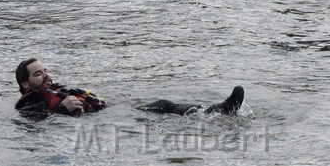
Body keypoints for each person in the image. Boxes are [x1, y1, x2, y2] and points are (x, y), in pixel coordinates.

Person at [14, 58, 245, 118]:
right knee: (162, 107)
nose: (45, 75)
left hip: (109, 115)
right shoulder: (30, 103)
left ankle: (218, 110)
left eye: (45, 70)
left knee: (163, 106)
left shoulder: (54, 90)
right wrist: (62, 109)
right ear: (25, 84)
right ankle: (218, 111)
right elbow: (40, 124)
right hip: (104, 123)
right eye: (38, 74)